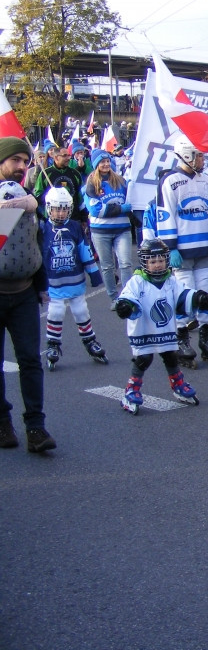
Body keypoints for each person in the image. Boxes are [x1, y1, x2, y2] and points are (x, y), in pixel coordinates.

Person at [0, 139, 56, 452]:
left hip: (23, 293)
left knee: (31, 361)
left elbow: (37, 242)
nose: (23, 166)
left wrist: (42, 285)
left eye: (25, 160)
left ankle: (36, 427)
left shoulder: (27, 195)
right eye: (16, 160)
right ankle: (2, 423)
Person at [114, 240, 208, 414]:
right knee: (144, 359)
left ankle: (177, 383)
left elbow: (183, 295)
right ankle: (131, 389)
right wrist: (125, 306)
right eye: (152, 262)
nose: (157, 265)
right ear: (144, 262)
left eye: (160, 260)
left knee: (171, 355)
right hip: (144, 330)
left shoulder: (171, 281)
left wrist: (197, 297)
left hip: (165, 330)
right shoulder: (137, 281)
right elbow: (128, 297)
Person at [156, 135, 208, 367]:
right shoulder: (169, 181)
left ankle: (206, 334)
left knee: (206, 291)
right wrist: (171, 247)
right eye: (199, 154)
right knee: (185, 294)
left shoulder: (207, 181)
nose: (202, 159)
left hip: (204, 247)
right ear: (187, 154)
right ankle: (181, 336)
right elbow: (164, 215)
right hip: (182, 251)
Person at [41, 187, 107, 370]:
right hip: (54, 282)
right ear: (49, 208)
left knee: (81, 312)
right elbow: (38, 256)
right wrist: (38, 283)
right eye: (56, 208)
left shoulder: (75, 227)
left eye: (64, 208)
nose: (61, 213)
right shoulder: (43, 229)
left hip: (75, 280)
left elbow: (85, 251)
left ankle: (90, 341)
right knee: (55, 313)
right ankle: (53, 345)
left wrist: (94, 274)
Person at [83, 148, 133, 309]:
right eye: (102, 162)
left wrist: (121, 207)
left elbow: (131, 201)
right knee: (107, 266)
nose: (105, 164)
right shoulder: (91, 184)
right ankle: (114, 298)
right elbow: (96, 211)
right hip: (100, 231)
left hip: (122, 229)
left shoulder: (121, 181)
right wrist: (121, 208)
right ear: (96, 164)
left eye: (107, 161)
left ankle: (127, 297)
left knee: (125, 263)